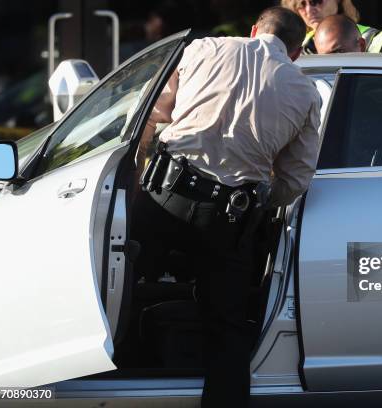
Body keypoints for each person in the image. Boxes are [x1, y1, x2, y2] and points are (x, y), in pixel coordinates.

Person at [135, 6, 321, 408]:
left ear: (253, 30)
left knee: (123, 290)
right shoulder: (304, 90)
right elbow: (296, 178)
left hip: (164, 197)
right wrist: (262, 205)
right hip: (229, 219)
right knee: (229, 331)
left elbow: (152, 114)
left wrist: (138, 177)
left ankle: (107, 381)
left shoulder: (201, 49)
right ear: (296, 52)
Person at [281, 0, 382, 54]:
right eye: (301, 4)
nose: (309, 10)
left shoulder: (377, 41)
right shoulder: (296, 47)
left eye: (315, 1)